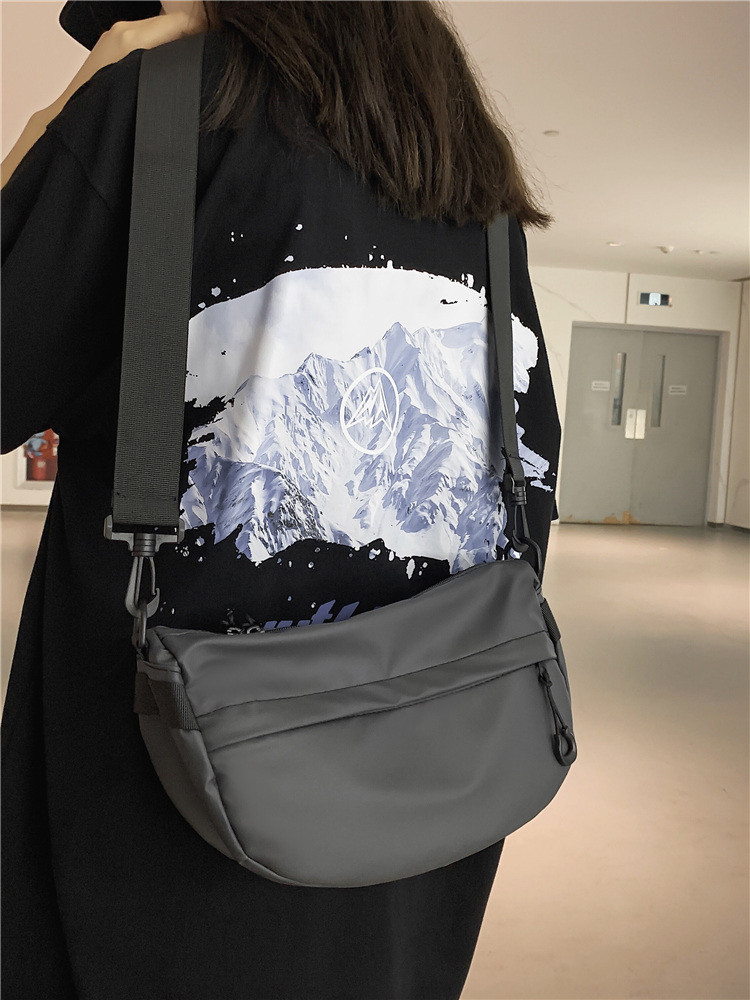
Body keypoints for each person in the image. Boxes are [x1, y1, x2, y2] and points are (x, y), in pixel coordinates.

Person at [0, 2, 561, 997]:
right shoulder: (470, 178)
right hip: (430, 796)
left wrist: (63, 115)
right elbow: (525, 485)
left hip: (160, 813)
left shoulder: (156, 111)